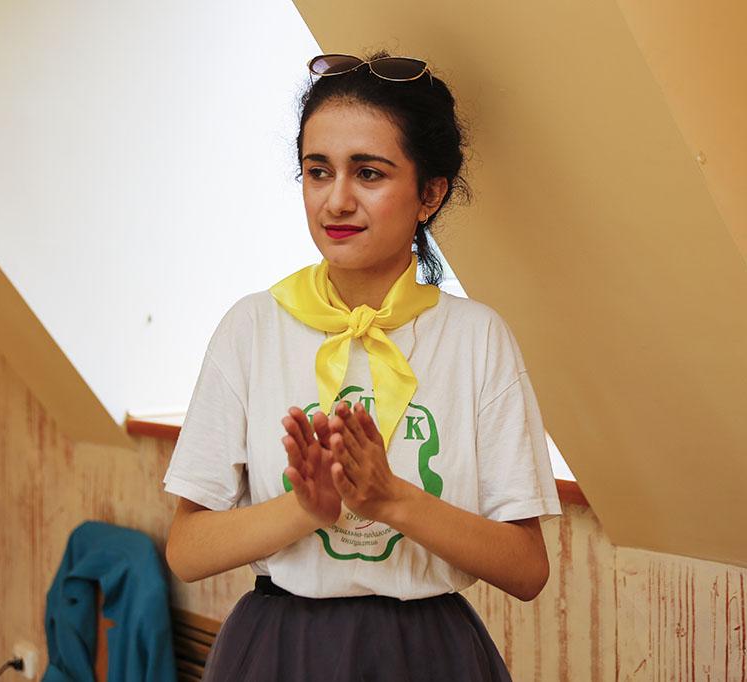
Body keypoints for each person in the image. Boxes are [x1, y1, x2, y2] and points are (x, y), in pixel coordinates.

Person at [162, 51, 562, 681]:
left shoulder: (477, 338)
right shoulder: (251, 328)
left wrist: (392, 498)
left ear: (430, 193)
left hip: (430, 655)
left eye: (369, 173)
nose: (337, 201)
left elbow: (527, 569)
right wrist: (306, 509)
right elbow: (186, 551)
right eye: (318, 172)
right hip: (278, 652)